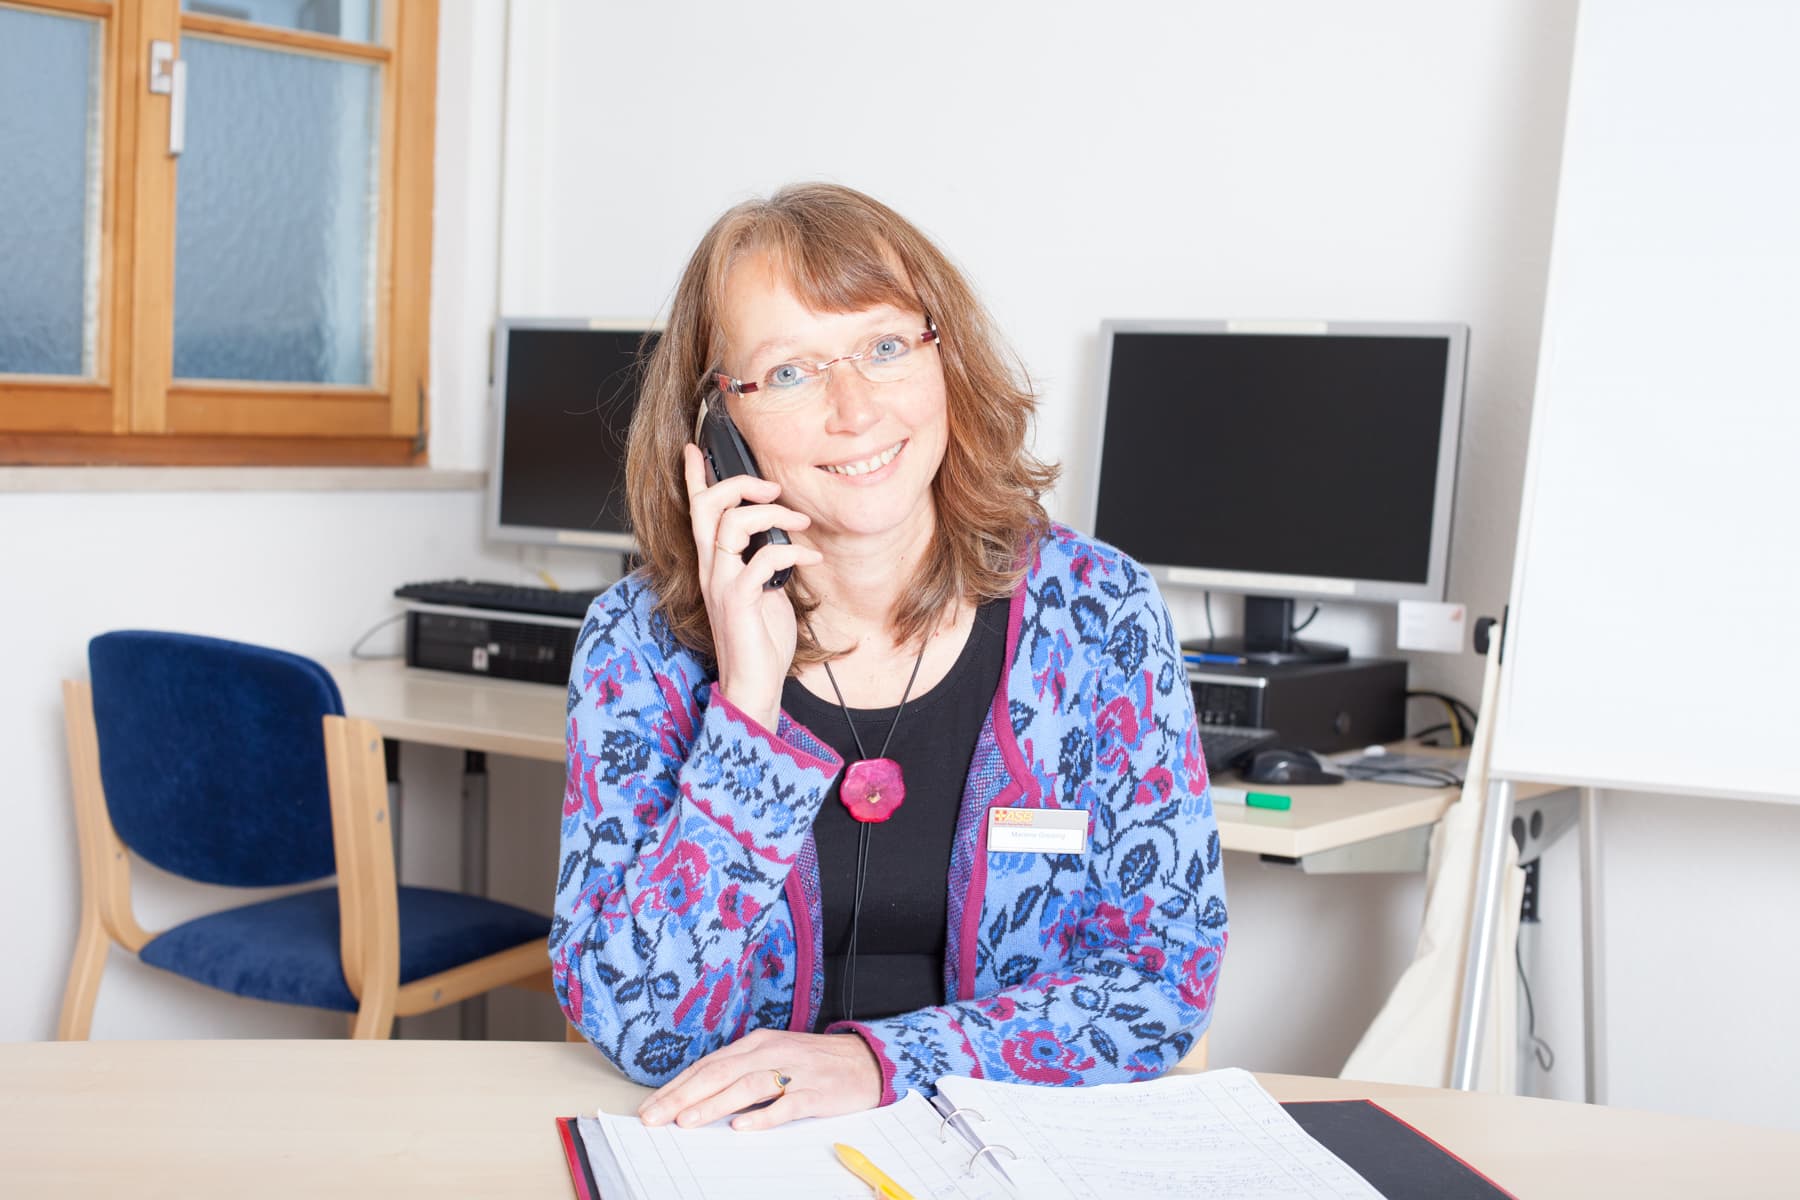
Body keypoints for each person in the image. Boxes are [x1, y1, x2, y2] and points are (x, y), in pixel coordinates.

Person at [551, 183, 1226, 1132]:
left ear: (943, 356)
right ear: (718, 422)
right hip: (741, 1158)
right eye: (789, 371)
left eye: (883, 347)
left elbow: (1164, 978)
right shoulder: (641, 642)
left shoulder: (1098, 613)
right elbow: (634, 1024)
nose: (855, 410)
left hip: (1014, 1150)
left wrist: (880, 1064)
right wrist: (746, 709)